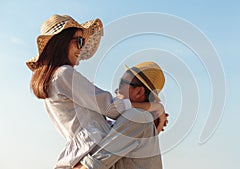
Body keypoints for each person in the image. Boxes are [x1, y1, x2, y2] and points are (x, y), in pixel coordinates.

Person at [26, 14, 167, 169]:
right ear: (62, 42)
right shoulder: (64, 74)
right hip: (93, 155)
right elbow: (110, 108)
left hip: (87, 152)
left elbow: (106, 121)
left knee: (141, 120)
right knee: (139, 117)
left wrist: (151, 122)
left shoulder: (55, 79)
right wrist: (155, 108)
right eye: (79, 41)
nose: (81, 48)